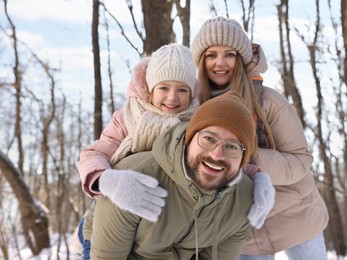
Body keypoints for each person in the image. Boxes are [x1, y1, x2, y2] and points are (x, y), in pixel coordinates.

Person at [190, 16, 329, 259]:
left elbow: (301, 160)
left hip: (296, 216)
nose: (220, 63)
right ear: (201, 61)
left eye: (229, 54)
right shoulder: (194, 108)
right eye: (211, 55)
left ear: (241, 58)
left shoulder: (268, 102)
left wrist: (243, 158)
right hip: (241, 228)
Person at [90, 91, 263, 259]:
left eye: (232, 147)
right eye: (208, 139)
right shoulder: (133, 180)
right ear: (189, 139)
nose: (217, 155)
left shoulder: (245, 201)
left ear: (242, 158)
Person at [76, 43, 198, 258]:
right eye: (164, 88)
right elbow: (93, 154)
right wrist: (109, 181)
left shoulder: (197, 124)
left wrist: (256, 177)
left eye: (182, 89)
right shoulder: (128, 117)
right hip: (105, 222)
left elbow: (219, 157)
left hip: (155, 230)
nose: (172, 97)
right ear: (150, 90)